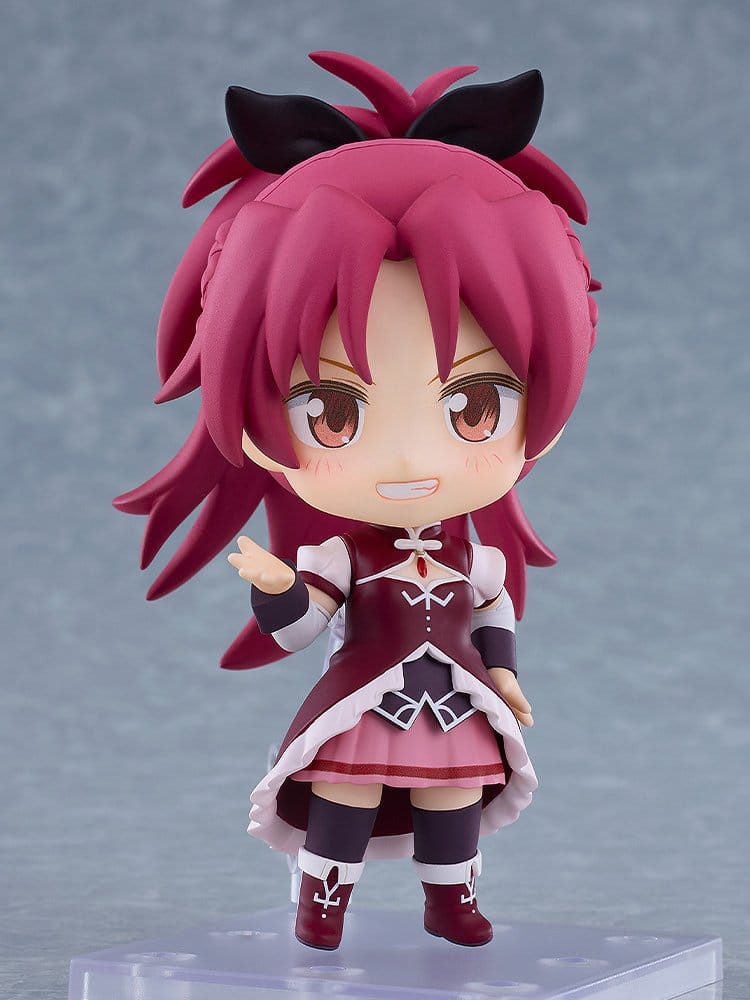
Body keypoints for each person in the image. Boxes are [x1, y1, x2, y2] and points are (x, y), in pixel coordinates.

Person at [115, 51, 598, 951]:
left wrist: (504, 678)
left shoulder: (475, 556)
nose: (412, 459)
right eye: (332, 412)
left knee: (455, 798)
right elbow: (302, 629)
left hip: (455, 704)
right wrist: (276, 587)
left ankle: (450, 901)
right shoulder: (342, 554)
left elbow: (493, 617)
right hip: (364, 702)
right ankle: (322, 900)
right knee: (346, 791)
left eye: (474, 406)